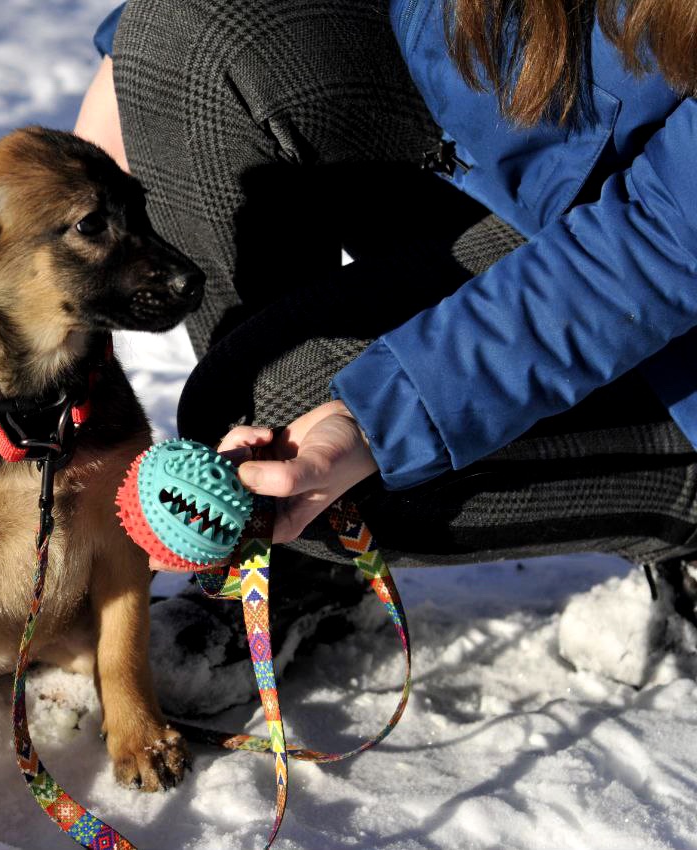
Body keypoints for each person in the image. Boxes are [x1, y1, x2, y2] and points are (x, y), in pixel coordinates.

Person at [73, 0, 697, 621]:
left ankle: (680, 505)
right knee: (192, 36)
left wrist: (383, 417)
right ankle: (292, 571)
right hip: (525, 155)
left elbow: (665, 241)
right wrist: (137, 55)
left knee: (285, 434)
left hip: (661, 294)